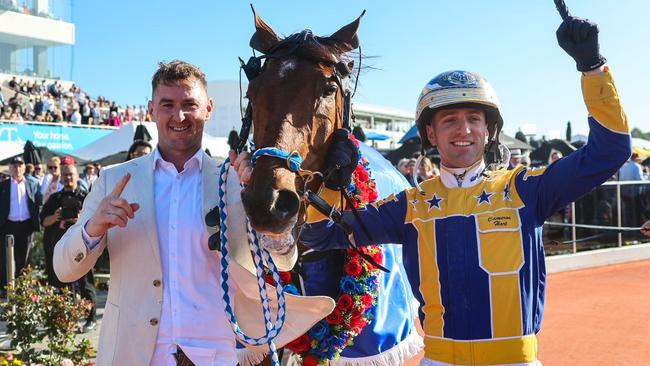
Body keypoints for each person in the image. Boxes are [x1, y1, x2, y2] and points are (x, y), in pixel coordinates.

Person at [234, 15, 632, 365]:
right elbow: (322, 234)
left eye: (474, 119)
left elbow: (610, 151)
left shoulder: (528, 191)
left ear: (489, 130)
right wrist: (333, 185)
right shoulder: (410, 205)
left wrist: (592, 67)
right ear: (430, 133)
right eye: (450, 121)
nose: (463, 130)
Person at [40, 164, 97, 333]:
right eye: (64, 175)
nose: (68, 178)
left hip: (83, 248)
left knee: (86, 284)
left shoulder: (86, 197)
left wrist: (81, 219)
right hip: (59, 248)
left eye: (71, 174)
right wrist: (56, 216)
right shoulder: (54, 198)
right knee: (61, 285)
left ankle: (91, 318)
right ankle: (65, 320)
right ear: (61, 177)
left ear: (77, 176)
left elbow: (97, 221)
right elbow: (43, 221)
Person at [0, 156, 42, 297]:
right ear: (10, 168)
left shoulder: (32, 184)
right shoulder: (4, 185)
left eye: (20, 166)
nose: (17, 168)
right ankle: (6, 288)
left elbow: (37, 203)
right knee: (5, 258)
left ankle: (22, 288)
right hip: (8, 225)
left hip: (26, 226)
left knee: (24, 258)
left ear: (24, 168)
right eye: (15, 166)